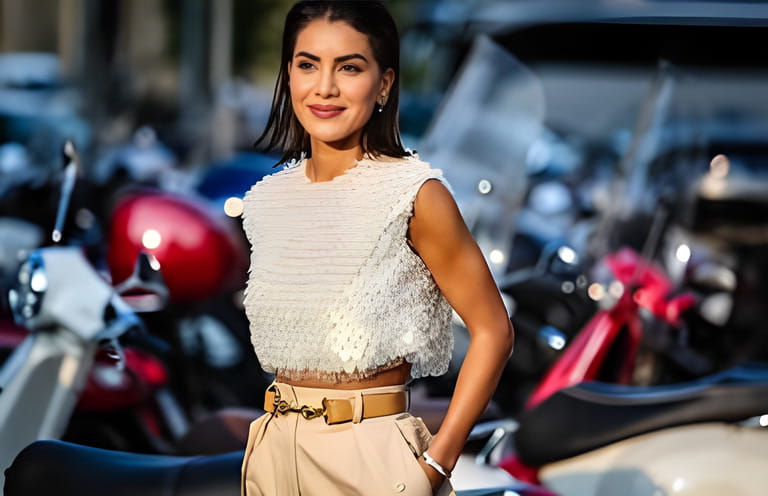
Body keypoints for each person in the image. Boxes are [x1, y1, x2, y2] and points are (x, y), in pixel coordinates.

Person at [239, 1, 514, 495]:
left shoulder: (415, 195)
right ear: (289, 75)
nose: (325, 87)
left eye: (349, 67)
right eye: (308, 65)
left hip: (372, 459)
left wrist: (436, 465)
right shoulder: (266, 200)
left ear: (384, 83)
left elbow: (493, 330)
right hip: (273, 452)